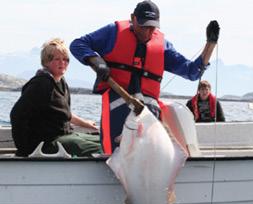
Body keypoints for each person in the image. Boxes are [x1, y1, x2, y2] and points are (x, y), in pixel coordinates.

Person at [70, 0, 219, 154]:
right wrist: (95, 60)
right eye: (143, 26)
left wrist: (210, 44)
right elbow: (78, 44)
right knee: (113, 155)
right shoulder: (113, 32)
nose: (147, 31)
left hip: (149, 112)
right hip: (117, 104)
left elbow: (192, 72)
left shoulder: (163, 46)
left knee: (149, 156)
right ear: (133, 18)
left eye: (152, 27)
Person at [9, 38, 101, 157]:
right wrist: (25, 150)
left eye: (65, 59)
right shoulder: (41, 84)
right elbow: (16, 114)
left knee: (105, 139)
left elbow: (64, 113)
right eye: (57, 59)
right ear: (46, 62)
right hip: (47, 142)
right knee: (103, 147)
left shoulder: (61, 82)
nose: (62, 63)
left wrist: (86, 124)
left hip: (65, 135)